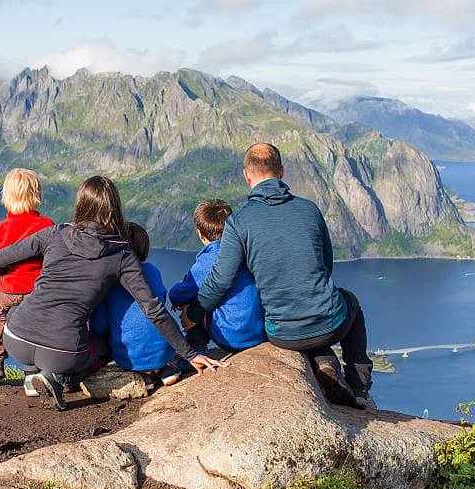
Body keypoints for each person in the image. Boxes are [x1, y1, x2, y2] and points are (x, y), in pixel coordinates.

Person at [0, 175, 225, 409]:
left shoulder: (54, 233)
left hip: (15, 338)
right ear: (113, 211)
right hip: (62, 354)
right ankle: (61, 378)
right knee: (107, 343)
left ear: (81, 204)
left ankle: (40, 373)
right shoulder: (120, 254)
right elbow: (153, 309)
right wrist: (189, 353)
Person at [182, 143, 373, 408]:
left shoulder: (239, 222)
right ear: (281, 171)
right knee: (350, 301)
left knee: (299, 321)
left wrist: (193, 314)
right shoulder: (310, 210)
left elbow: (220, 280)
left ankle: (325, 366)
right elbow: (326, 266)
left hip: (282, 334)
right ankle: (359, 386)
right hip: (330, 325)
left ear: (246, 175)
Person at [0, 168, 54, 392]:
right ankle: (35, 373)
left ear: (6, 197)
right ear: (37, 195)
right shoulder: (47, 225)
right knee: (41, 328)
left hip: (9, 292)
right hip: (38, 292)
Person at [168, 199, 266, 354]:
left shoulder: (210, 258)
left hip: (232, 338)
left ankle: (196, 352)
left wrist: (179, 299)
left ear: (199, 233)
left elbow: (178, 294)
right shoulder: (247, 250)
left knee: (193, 298)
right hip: (259, 332)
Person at [90, 222, 180, 385]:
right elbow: (161, 300)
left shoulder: (110, 279)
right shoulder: (152, 271)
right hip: (164, 350)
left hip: (128, 357)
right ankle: (165, 369)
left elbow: (100, 323)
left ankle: (144, 374)